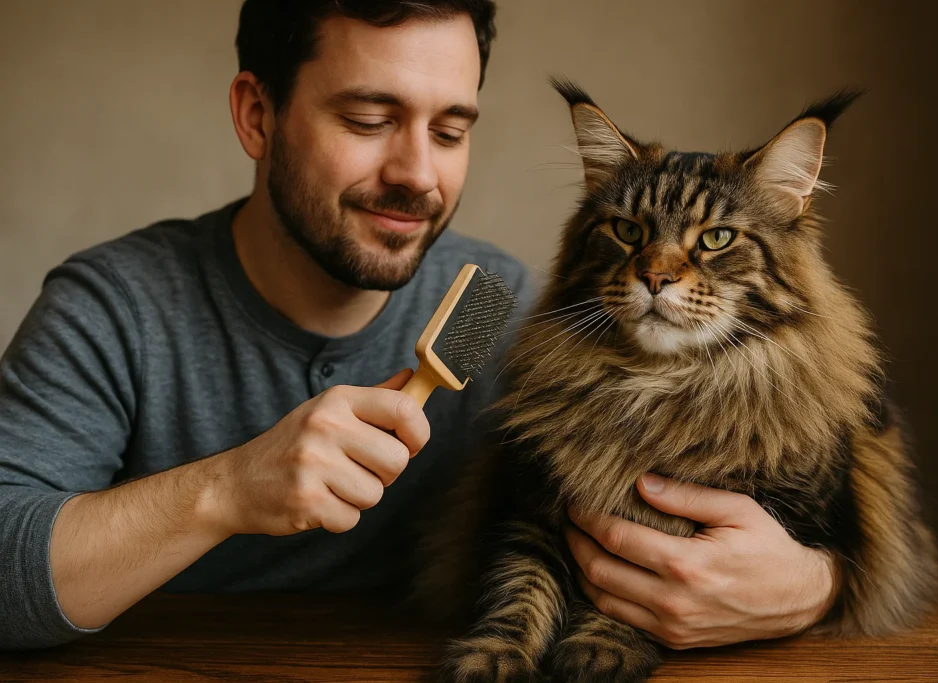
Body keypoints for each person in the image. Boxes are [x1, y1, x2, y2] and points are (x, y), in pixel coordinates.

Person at [0, 0, 836, 651]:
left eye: (449, 130)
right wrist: (227, 489)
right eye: (367, 121)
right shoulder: (109, 306)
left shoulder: (512, 309)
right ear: (258, 115)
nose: (416, 174)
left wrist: (813, 585)